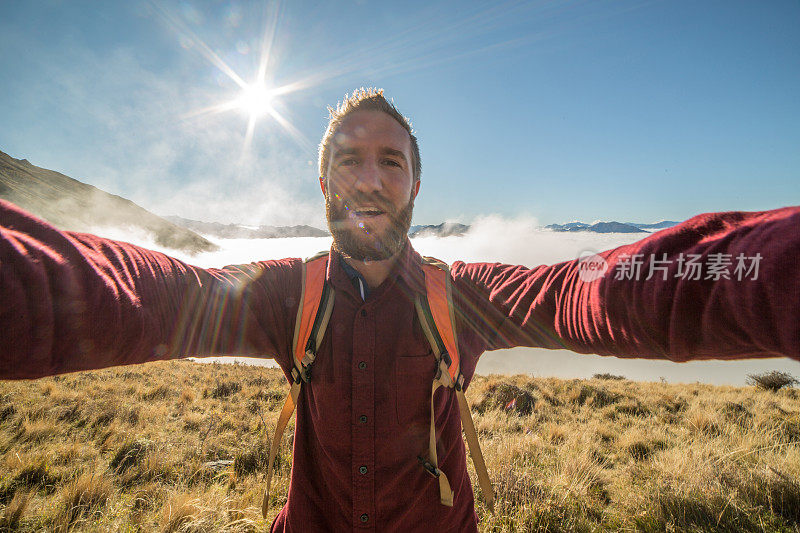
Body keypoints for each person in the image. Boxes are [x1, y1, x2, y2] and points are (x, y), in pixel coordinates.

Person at [1, 88, 798, 532]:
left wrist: (772, 273)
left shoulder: (462, 297)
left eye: (392, 162)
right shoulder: (288, 295)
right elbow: (151, 291)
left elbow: (589, 291)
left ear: (416, 185)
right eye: (349, 160)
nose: (371, 180)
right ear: (323, 186)